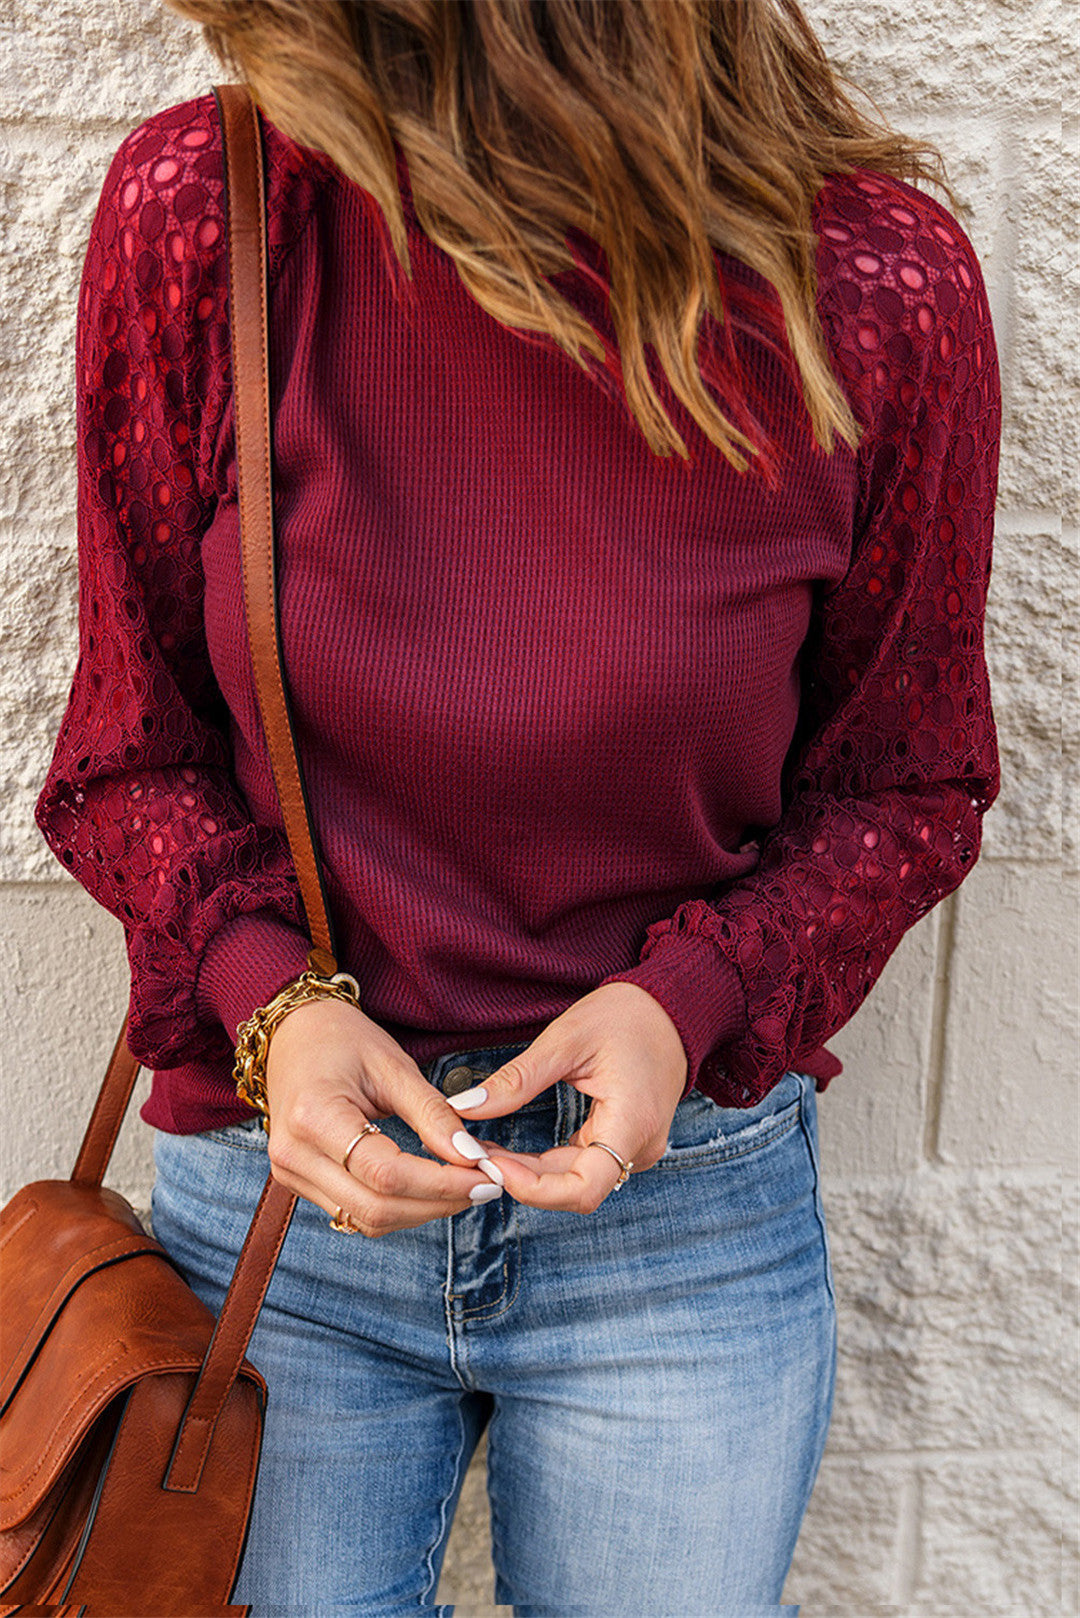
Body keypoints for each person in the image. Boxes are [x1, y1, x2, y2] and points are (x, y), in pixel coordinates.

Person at [33, 1, 1001, 1613]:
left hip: (679, 1217)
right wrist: (272, 1005)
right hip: (289, 1207)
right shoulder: (216, 216)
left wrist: (689, 1002)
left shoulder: (869, 287)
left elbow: (910, 776)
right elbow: (123, 750)